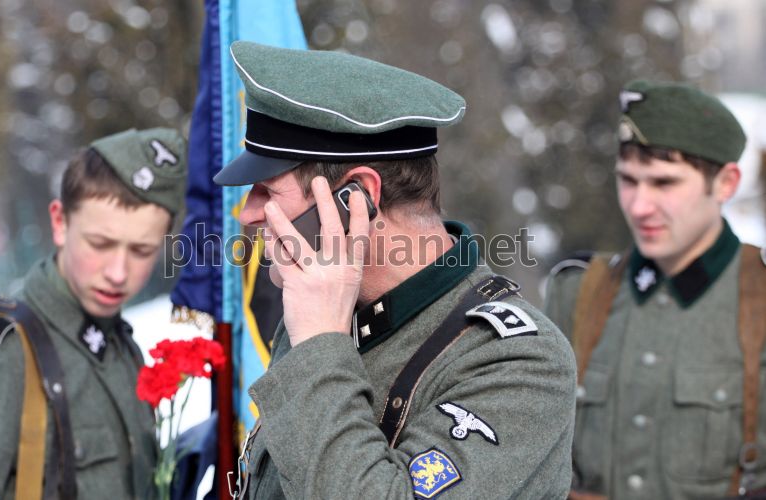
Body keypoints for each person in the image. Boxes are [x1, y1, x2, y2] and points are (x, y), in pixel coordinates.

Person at [216, 41, 576, 499]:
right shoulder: (322, 300)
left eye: (267, 191)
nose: (247, 214)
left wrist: (321, 347)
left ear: (357, 200)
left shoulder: (521, 363)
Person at [0, 128, 188, 499]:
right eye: (100, 244)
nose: (118, 272)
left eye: (141, 250)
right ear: (59, 223)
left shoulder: (119, 346)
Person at [544, 80, 766, 499]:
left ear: (725, 183)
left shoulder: (760, 299)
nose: (639, 205)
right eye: (628, 180)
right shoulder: (577, 292)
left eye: (664, 183)